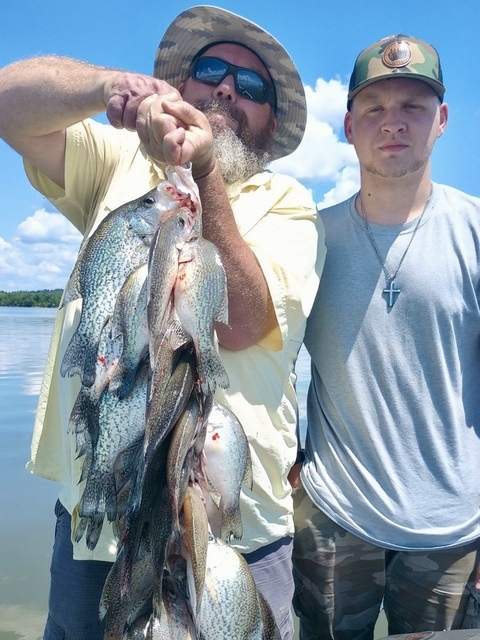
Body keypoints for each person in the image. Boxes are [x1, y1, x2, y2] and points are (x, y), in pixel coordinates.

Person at [0, 6, 322, 639]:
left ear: (271, 122)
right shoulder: (119, 164)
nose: (227, 88)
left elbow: (246, 322)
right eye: (211, 70)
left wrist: (204, 170)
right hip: (102, 528)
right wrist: (106, 89)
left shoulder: (291, 205)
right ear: (181, 86)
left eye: (251, 86)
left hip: (235, 535)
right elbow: (9, 104)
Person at [292, 34, 480, 639]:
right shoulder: (309, 239)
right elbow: (262, 361)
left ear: (443, 120)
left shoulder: (475, 229)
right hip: (332, 520)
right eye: (373, 108)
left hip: (454, 533)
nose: (392, 123)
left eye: (412, 107)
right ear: (348, 125)